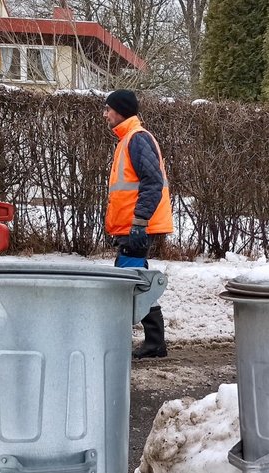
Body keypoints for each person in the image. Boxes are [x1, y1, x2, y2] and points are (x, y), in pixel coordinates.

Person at [104, 89, 173, 358]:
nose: (105, 113)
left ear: (120, 110)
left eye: (108, 108)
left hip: (138, 227)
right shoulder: (129, 139)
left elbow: (152, 182)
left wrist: (139, 223)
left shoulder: (137, 138)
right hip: (133, 226)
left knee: (127, 282)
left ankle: (140, 342)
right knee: (137, 282)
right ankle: (154, 342)